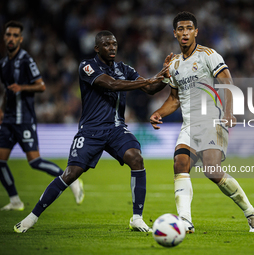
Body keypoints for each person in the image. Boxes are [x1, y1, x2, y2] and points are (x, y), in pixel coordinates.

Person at [14, 30, 173, 233]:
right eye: (106, 44)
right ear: (97, 48)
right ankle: (32, 217)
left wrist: (165, 76)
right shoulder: (87, 66)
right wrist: (149, 79)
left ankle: (137, 218)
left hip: (116, 129)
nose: (112, 47)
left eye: (114, 43)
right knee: (71, 174)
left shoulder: (124, 68)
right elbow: (111, 84)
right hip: (91, 130)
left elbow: (150, 89)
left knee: (136, 158)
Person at [150, 12, 254, 233]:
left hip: (212, 120)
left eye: (189, 28)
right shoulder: (173, 64)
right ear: (175, 33)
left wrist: (229, 112)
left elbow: (227, 81)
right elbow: (174, 99)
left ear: (196, 32)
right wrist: (159, 112)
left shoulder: (208, 55)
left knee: (212, 170)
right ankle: (185, 221)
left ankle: (251, 213)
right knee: (180, 164)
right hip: (189, 125)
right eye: (180, 29)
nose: (185, 33)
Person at [0, 20, 84, 211]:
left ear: (20, 39)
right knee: (0, 161)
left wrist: (22, 87)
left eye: (15, 35)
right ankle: (15, 201)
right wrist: (1, 110)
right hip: (8, 120)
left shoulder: (26, 60)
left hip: (25, 120)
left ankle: (70, 179)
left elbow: (41, 85)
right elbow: (6, 91)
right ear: (4, 37)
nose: (11, 38)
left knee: (35, 162)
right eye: (8, 35)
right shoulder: (4, 63)